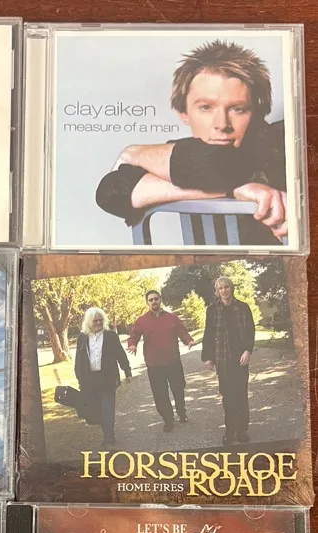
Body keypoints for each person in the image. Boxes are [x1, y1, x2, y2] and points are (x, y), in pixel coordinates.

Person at [95, 40, 288, 244]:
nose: (222, 124)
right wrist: (234, 190)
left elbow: (216, 163)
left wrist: (134, 153)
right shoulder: (186, 154)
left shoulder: (283, 141)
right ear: (183, 113)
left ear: (257, 112)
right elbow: (112, 191)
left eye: (237, 109)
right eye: (206, 107)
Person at [127, 290, 194, 431]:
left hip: (173, 362)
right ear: (147, 303)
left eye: (156, 299)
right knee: (160, 394)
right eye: (150, 300)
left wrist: (189, 341)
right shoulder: (141, 321)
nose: (154, 302)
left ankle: (181, 412)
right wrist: (132, 345)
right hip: (154, 365)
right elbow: (134, 335)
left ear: (160, 300)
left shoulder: (172, 318)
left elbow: (182, 332)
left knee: (178, 389)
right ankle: (168, 420)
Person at [201, 275, 256, 444]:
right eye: (220, 288)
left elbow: (250, 331)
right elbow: (208, 334)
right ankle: (230, 430)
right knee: (227, 396)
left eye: (226, 287)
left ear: (231, 288)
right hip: (223, 360)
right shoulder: (212, 310)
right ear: (217, 291)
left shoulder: (243, 307)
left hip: (240, 359)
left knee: (241, 394)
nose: (224, 291)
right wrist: (207, 357)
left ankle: (241, 430)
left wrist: (247, 350)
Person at [74, 307, 132, 447]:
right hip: (89, 380)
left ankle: (109, 438)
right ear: (89, 322)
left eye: (101, 320)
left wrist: (127, 371)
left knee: (107, 409)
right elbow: (78, 360)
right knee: (95, 411)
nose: (99, 323)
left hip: (107, 379)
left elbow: (120, 354)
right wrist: (80, 378)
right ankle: (107, 431)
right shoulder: (82, 338)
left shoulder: (110, 336)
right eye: (95, 321)